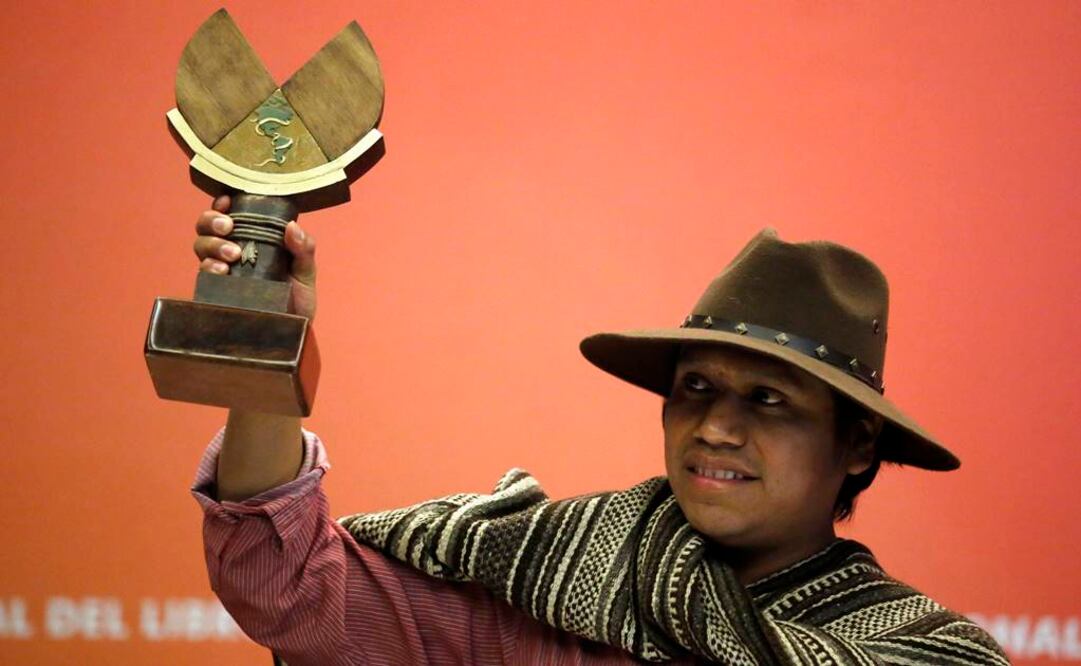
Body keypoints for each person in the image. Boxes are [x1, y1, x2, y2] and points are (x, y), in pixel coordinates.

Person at [191, 196, 1008, 665]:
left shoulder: (926, 654)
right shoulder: (552, 582)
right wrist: (266, 330)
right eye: (695, 388)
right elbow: (286, 581)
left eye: (768, 400)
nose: (715, 428)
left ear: (857, 443)